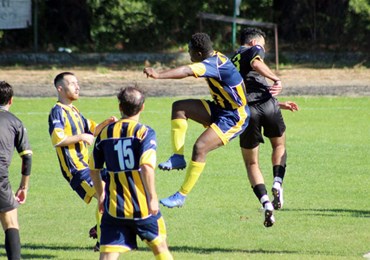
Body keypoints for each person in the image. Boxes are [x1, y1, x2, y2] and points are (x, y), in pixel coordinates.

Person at [143, 32, 250, 208]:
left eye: (190, 50)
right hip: (220, 108)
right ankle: (177, 157)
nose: (189, 54)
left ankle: (181, 196)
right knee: (179, 107)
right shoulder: (214, 58)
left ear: (199, 53)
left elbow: (186, 71)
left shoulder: (212, 64)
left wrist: (158, 74)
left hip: (235, 117)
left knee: (200, 148)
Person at [89, 86, 173, 260]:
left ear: (120, 107)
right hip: (143, 207)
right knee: (160, 247)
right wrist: (152, 197)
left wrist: (101, 194)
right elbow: (147, 166)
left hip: (115, 208)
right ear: (142, 107)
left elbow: (93, 169)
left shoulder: (105, 133)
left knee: (107, 254)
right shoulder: (144, 132)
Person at [231, 27, 299, 227]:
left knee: (252, 163)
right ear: (253, 43)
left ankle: (266, 203)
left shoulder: (228, 61)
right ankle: (278, 182)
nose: (262, 51)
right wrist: (276, 79)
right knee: (279, 146)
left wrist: (281, 104)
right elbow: (255, 62)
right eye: (261, 46)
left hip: (247, 110)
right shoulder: (251, 51)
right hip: (268, 104)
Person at [48, 72, 116, 251]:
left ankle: (101, 227)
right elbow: (58, 140)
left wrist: (108, 123)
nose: (77, 87)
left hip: (89, 166)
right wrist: (81, 137)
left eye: (77, 83)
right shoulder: (57, 111)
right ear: (60, 88)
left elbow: (93, 130)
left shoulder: (75, 111)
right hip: (76, 170)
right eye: (72, 83)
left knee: (120, 187)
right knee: (105, 197)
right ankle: (103, 242)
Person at [0, 81, 33, 260]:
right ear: (11, 100)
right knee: (11, 222)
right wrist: (23, 187)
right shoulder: (15, 122)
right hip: (0, 178)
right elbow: (27, 157)